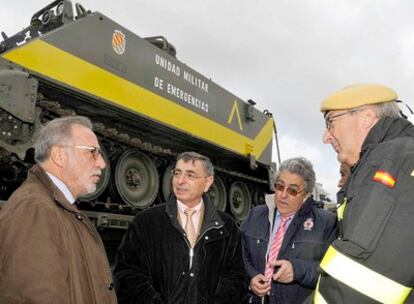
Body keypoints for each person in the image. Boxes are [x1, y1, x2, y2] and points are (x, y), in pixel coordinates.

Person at [313, 84, 414, 303]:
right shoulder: (403, 155)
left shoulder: (389, 162)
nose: (326, 137)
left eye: (330, 122)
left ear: (366, 117)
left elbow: (358, 288)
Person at [0, 116, 117, 303]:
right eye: (92, 152)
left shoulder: (56, 208)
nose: (102, 164)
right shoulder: (35, 210)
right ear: (59, 156)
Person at [113, 151, 247, 304]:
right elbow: (127, 274)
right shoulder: (146, 221)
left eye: (190, 175)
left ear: (208, 182)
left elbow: (236, 279)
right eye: (177, 173)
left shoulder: (226, 226)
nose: (180, 181)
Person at [240, 157, 337, 304]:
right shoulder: (256, 215)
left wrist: (298, 271)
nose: (283, 195)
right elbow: (238, 254)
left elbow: (333, 274)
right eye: (280, 186)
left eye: (292, 190)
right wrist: (251, 277)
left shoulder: (326, 224)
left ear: (306, 195)